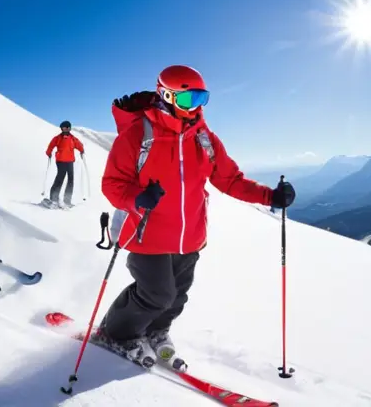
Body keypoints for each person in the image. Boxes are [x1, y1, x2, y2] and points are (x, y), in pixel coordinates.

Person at [96, 65, 296, 365]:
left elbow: (230, 179)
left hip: (189, 235)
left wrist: (270, 196)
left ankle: (156, 330)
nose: (196, 108)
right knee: (156, 294)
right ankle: (116, 334)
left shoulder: (204, 138)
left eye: (202, 99)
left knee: (177, 295)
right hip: (145, 231)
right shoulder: (137, 136)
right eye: (188, 100)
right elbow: (111, 184)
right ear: (166, 96)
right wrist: (136, 198)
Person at [43, 120, 85, 209]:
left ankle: (67, 200)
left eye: (66, 127)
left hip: (70, 162)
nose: (64, 129)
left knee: (70, 180)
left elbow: (79, 145)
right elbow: (51, 145)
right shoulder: (58, 138)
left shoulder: (73, 138)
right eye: (62, 127)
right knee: (60, 179)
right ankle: (53, 199)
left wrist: (82, 150)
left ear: (69, 128)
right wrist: (48, 152)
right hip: (61, 161)